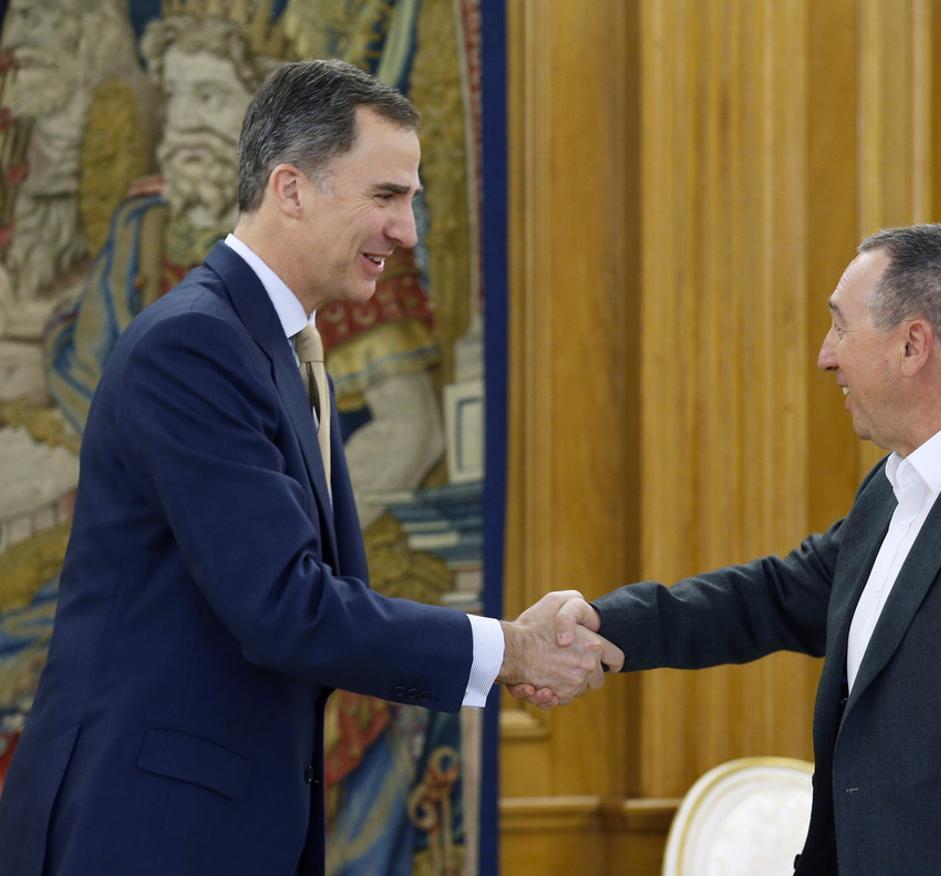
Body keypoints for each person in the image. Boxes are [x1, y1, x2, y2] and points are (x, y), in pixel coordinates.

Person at [0, 58, 621, 876]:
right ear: (290, 189)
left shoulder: (277, 347)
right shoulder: (194, 346)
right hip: (142, 830)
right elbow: (284, 607)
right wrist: (508, 648)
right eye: (387, 196)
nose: (409, 232)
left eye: (414, 200)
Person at [519, 224, 941, 874]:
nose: (826, 355)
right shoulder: (895, 488)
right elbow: (773, 598)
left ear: (913, 344)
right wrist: (599, 626)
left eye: (839, 327)